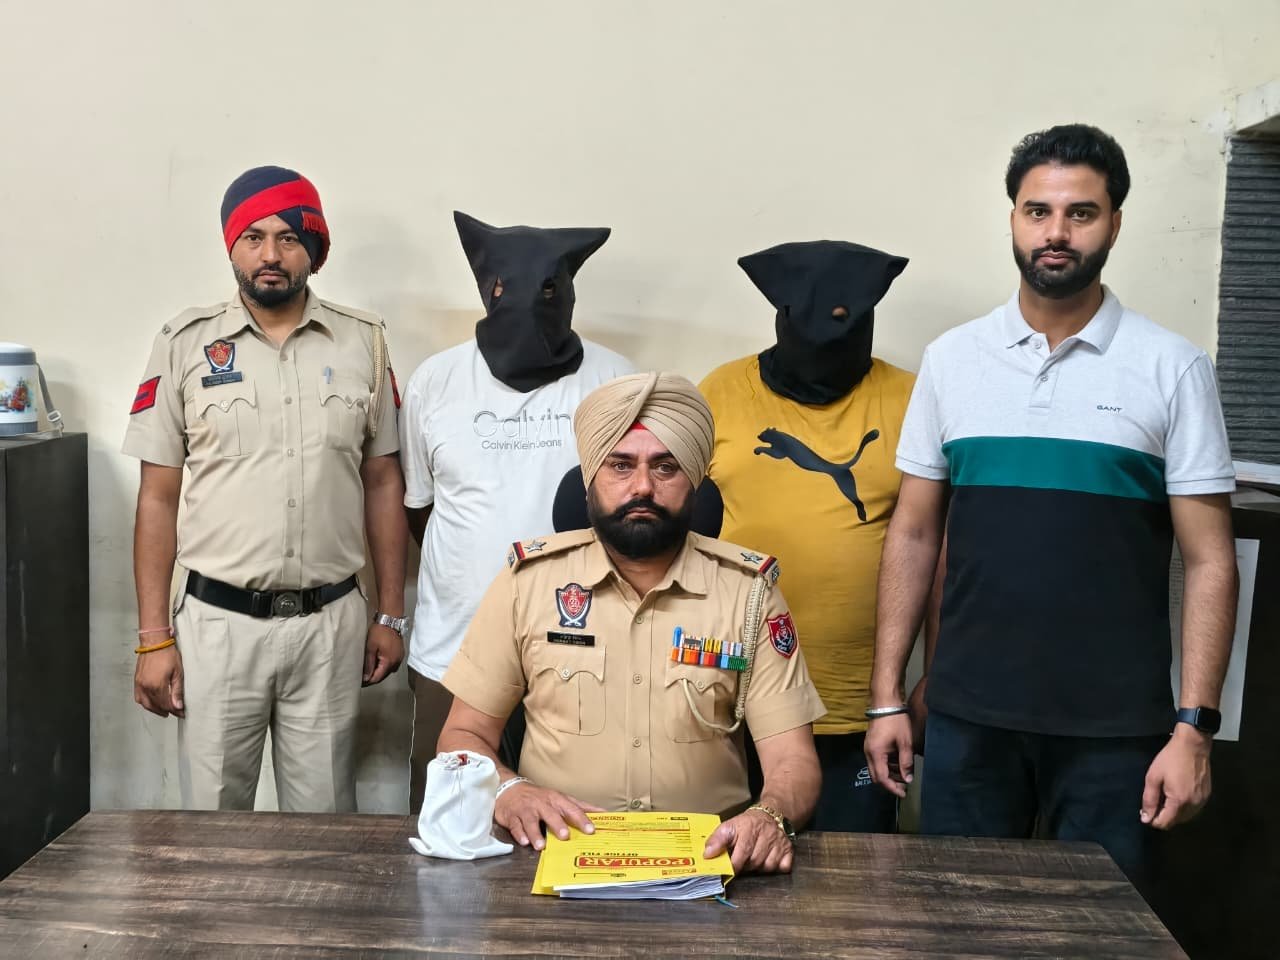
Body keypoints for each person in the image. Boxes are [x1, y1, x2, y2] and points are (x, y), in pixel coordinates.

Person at [864, 124, 1239, 892]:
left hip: (1116, 732)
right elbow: (915, 532)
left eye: (1081, 213)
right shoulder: (953, 359)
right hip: (969, 720)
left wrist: (1194, 729)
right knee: (957, 922)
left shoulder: (1173, 367)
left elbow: (1210, 561)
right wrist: (886, 699)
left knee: (1102, 933)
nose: (1057, 232)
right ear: (1013, 218)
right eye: (1038, 211)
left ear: (1114, 225)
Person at [437, 372, 825, 874]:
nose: (642, 486)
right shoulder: (526, 584)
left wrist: (769, 815)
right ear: (590, 479)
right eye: (620, 465)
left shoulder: (749, 594)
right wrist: (510, 791)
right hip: (551, 856)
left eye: (666, 467)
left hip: (712, 864)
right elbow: (461, 735)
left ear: (695, 482)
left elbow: (794, 761)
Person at [125, 165, 407, 812]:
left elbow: (382, 482)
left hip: (330, 627)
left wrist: (390, 614)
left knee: (324, 832)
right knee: (212, 830)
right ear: (232, 246)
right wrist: (153, 638)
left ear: (314, 247)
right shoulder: (184, 344)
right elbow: (157, 497)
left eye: (288, 238)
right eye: (253, 237)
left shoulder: (364, 342)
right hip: (217, 629)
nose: (271, 255)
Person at [399, 211, 633, 809]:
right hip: (452, 651)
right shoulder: (436, 381)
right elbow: (421, 509)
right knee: (450, 825)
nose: (525, 305)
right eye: (505, 288)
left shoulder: (615, 381)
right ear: (487, 289)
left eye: (546, 290)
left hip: (582, 651)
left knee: (574, 824)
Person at [699, 240, 917, 832]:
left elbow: (939, 545)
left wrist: (921, 684)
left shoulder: (910, 398)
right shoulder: (721, 392)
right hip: (732, 702)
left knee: (857, 875)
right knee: (727, 871)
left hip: (859, 708)